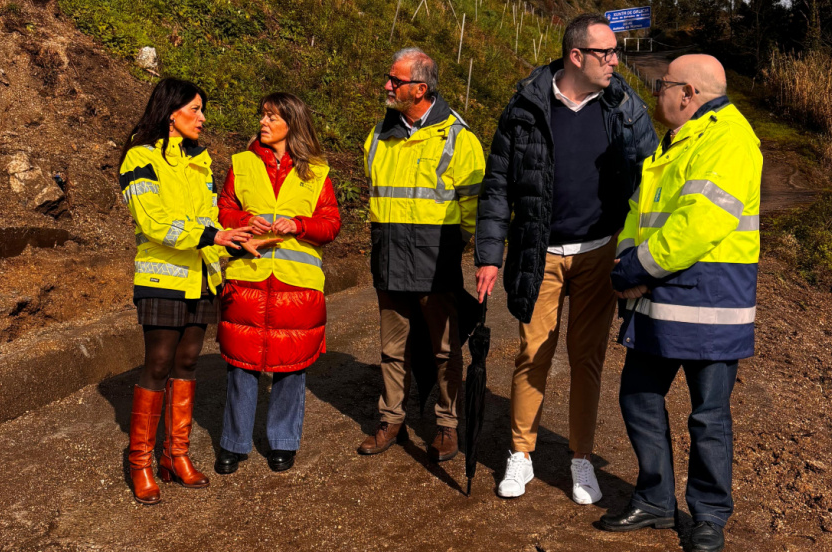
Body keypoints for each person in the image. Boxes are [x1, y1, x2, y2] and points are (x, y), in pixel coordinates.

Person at [474, 13, 659, 501]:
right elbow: (497, 187)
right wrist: (490, 255)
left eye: (615, 52)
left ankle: (581, 460)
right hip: (541, 254)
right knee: (532, 353)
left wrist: (641, 252)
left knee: (587, 359)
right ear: (577, 56)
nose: (615, 62)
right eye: (607, 54)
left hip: (600, 254)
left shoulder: (624, 106)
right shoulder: (526, 106)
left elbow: (653, 175)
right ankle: (520, 455)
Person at [600, 54, 762, 552]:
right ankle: (655, 500)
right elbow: (640, 210)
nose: (658, 94)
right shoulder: (681, 139)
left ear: (688, 93)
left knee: (708, 415)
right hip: (660, 295)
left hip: (708, 303)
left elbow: (702, 223)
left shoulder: (730, 139)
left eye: (664, 85)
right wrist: (629, 259)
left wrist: (634, 269)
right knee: (638, 397)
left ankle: (708, 515)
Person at [120, 78, 276, 505]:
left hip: (201, 277)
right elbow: (154, 221)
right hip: (163, 279)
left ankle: (176, 455)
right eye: (196, 109)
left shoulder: (200, 161)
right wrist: (213, 236)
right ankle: (141, 463)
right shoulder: (139, 158)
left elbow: (210, 216)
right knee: (158, 364)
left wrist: (235, 237)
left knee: (188, 362)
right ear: (172, 113)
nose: (203, 118)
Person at [357, 47, 485, 462]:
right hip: (389, 259)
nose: (387, 86)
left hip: (436, 266)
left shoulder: (459, 140)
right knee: (392, 349)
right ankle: (390, 419)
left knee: (445, 350)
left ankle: (447, 427)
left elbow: (474, 211)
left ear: (421, 88)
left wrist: (453, 250)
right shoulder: (377, 135)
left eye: (395, 80)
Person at [214, 92, 341, 474]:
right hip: (248, 279)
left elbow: (331, 224)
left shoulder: (317, 171)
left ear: (292, 123)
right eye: (262, 114)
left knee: (291, 366)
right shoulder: (242, 163)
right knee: (242, 365)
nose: (262, 122)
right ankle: (233, 443)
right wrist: (244, 219)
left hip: (296, 284)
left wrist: (299, 225)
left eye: (271, 116)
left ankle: (283, 442)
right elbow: (222, 208)